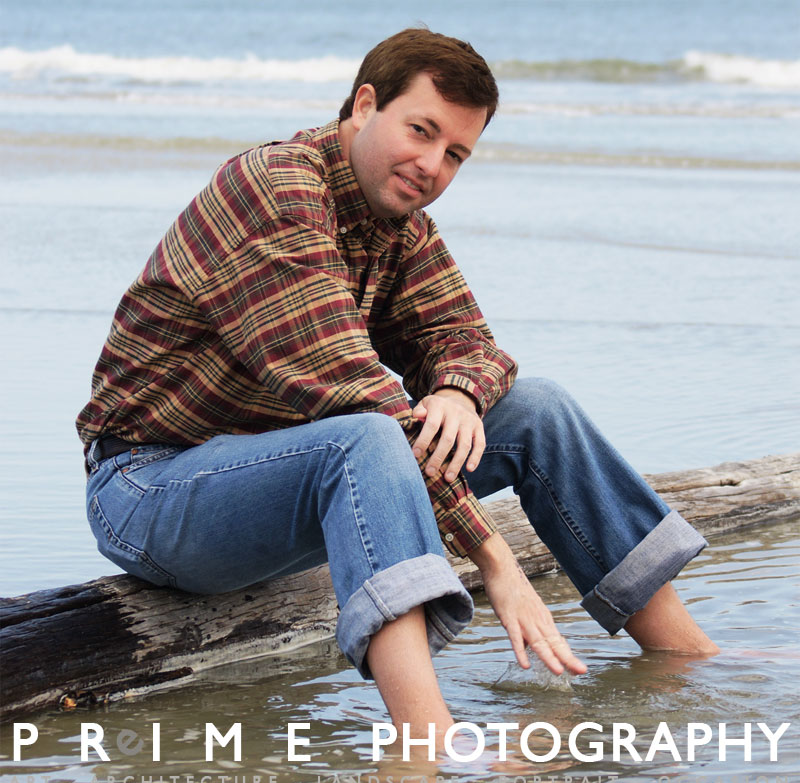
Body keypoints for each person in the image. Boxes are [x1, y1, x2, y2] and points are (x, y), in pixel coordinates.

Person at [77, 28, 718, 739]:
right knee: (368, 437)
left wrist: (457, 391)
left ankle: (685, 654)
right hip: (149, 489)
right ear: (363, 105)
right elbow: (352, 390)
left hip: (289, 481)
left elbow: (471, 344)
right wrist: (494, 559)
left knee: (538, 411)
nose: (432, 165)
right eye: (422, 131)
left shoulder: (398, 222)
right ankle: (430, 741)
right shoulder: (276, 189)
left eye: (455, 154)